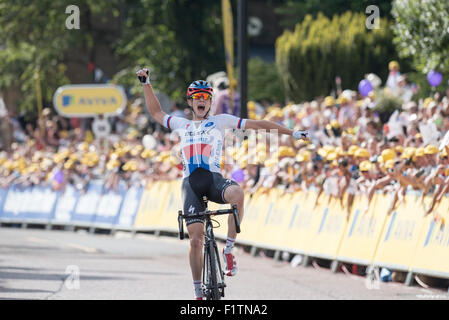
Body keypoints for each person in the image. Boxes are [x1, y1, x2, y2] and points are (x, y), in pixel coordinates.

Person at [136, 67, 309, 300]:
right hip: (191, 185)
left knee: (237, 193)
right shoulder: (181, 124)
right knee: (195, 240)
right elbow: (156, 112)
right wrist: (146, 83)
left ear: (210, 102)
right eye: (197, 98)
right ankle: (198, 292)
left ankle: (228, 248)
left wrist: (292, 133)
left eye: (205, 98)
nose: (201, 102)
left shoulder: (221, 121)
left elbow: (258, 124)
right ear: (190, 102)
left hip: (213, 179)